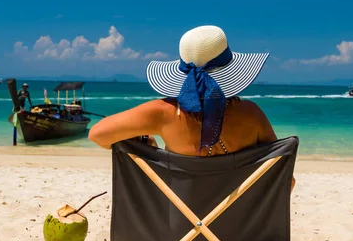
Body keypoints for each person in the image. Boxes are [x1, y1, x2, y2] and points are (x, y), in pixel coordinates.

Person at [89, 26, 282, 160]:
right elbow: (282, 178)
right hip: (242, 218)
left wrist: (143, 143)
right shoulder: (251, 114)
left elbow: (97, 135)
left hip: (178, 216)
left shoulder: (162, 113)